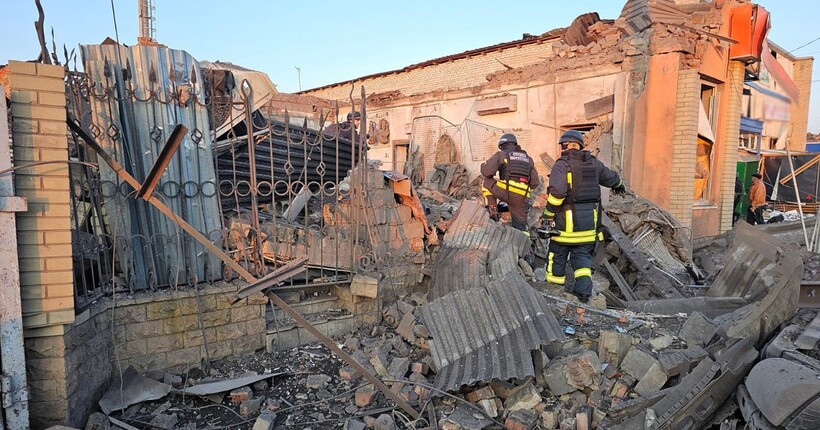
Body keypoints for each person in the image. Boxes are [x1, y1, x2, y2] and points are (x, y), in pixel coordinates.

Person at [541, 130, 625, 303]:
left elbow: (557, 194)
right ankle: (584, 295)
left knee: (556, 258)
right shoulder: (594, 164)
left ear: (564, 145)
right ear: (579, 145)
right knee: (582, 261)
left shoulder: (561, 165)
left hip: (565, 228)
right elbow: (613, 179)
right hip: (588, 228)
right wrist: (619, 185)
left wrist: (548, 216)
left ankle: (554, 294)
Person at [479, 133, 540, 232]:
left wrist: (483, 165)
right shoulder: (528, 159)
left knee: (486, 181)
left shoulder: (502, 154)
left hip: (507, 191)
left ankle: (493, 209)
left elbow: (487, 172)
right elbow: (535, 183)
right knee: (521, 226)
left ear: (502, 145)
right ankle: (525, 244)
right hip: (522, 196)